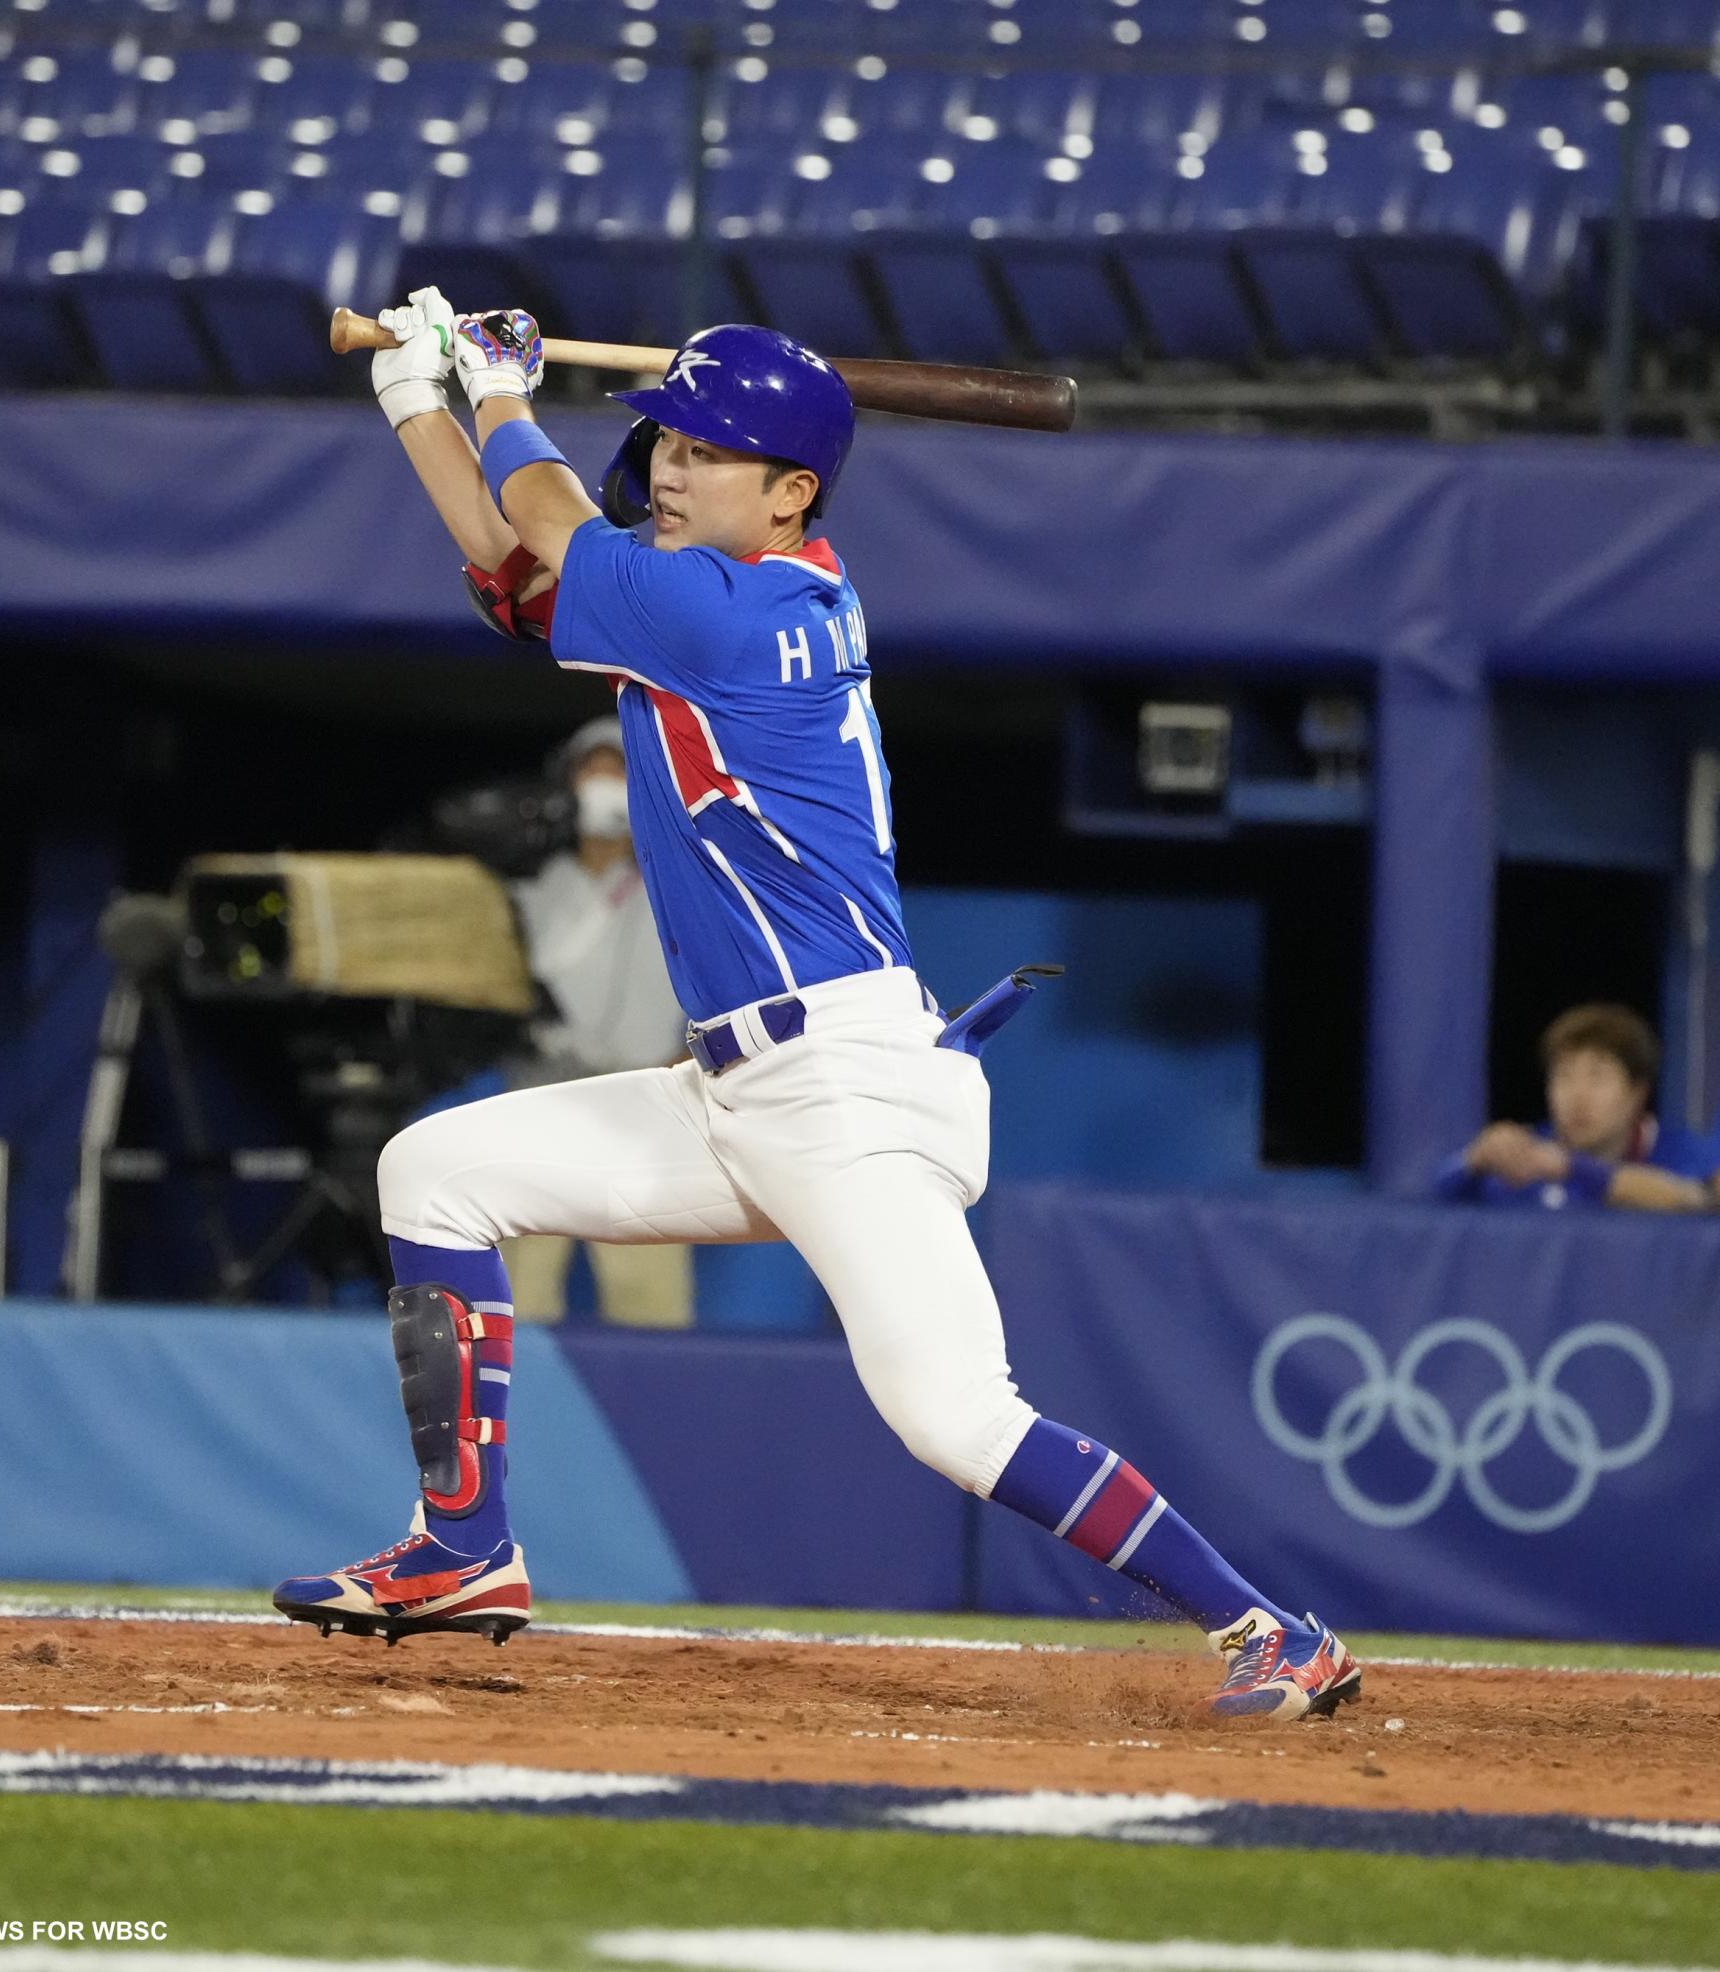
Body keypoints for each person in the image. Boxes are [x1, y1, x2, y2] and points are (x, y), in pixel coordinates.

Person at [274, 289, 1361, 1723]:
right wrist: (419, 395)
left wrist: (499, 391)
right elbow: (508, 551)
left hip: (845, 1086)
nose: (671, 467)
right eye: (669, 443)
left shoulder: (747, 612)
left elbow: (543, 514)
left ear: (792, 495)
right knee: (436, 1169)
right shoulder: (704, 591)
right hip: (731, 1086)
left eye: (708, 453)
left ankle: (1272, 1629)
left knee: (955, 1416)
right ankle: (464, 1552)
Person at [502, 713, 694, 1326]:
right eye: (593, 771)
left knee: (651, 1306)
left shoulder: (682, 886)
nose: (606, 784)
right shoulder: (526, 888)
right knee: (521, 1297)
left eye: (621, 770)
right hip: (541, 1100)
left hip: (646, 1108)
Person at [1433, 1002, 1714, 1212]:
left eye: (1597, 1077)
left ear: (1637, 1093)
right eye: (1564, 1076)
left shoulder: (1687, 1154)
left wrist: (1572, 1168)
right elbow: (1435, 1200)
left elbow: (1698, 1199)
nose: (1578, 1097)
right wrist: (1476, 1159)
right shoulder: (1529, 1155)